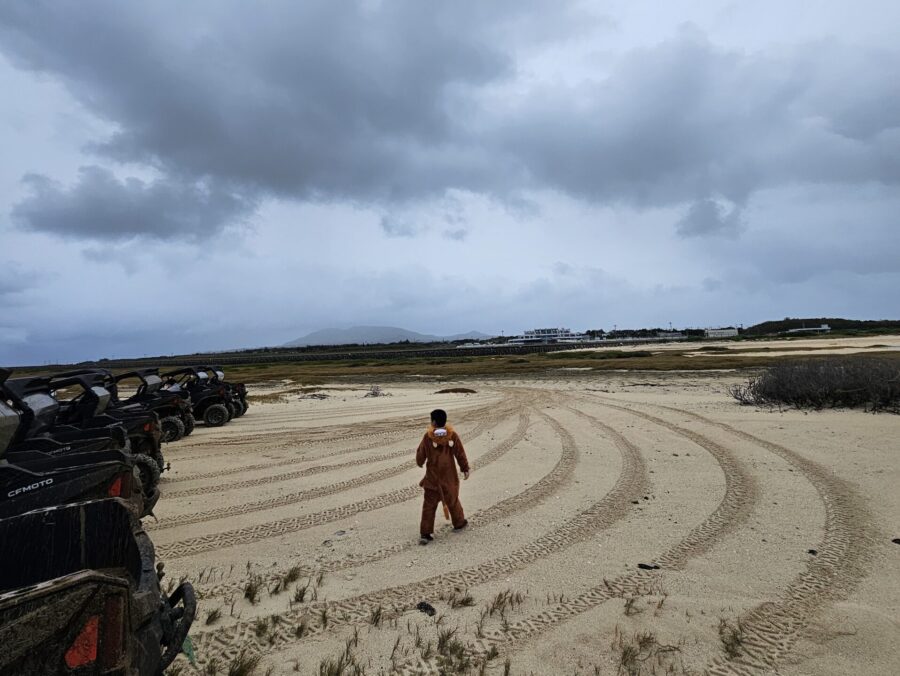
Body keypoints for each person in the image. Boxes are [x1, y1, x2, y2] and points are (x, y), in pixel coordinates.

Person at [415, 408, 469, 545]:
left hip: (432, 478)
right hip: (449, 477)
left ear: (433, 421)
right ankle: (459, 522)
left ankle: (426, 533)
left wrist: (420, 461)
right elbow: (460, 453)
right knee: (453, 501)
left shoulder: (428, 437)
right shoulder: (452, 435)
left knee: (429, 506)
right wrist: (465, 468)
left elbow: (421, 452)